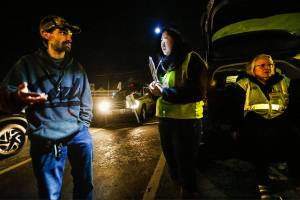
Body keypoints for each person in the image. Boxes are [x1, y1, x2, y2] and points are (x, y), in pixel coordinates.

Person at [0, 15, 93, 199]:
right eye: (63, 32)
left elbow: (86, 100)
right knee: (50, 194)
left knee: (85, 187)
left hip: (78, 135)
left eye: (71, 33)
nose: (69, 37)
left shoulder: (76, 67)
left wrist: (83, 125)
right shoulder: (27, 64)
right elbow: (4, 93)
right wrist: (17, 97)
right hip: (46, 140)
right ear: (46, 34)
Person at [229, 54, 300, 199]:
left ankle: (297, 180)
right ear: (252, 69)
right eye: (262, 65)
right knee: (260, 146)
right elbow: (235, 108)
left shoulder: (283, 81)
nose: (267, 68)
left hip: (280, 122)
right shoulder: (244, 84)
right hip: (255, 122)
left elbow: (293, 105)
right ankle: (263, 185)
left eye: (270, 65)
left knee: (295, 143)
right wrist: (235, 128)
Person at [149, 27, 208, 198]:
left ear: (176, 40)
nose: (162, 43)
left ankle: (190, 192)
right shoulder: (163, 65)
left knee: (186, 163)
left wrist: (164, 92)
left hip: (187, 122)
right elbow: (161, 94)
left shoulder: (192, 58)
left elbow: (198, 92)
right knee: (171, 161)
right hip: (166, 121)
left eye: (165, 38)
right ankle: (179, 187)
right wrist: (153, 91)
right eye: (160, 40)